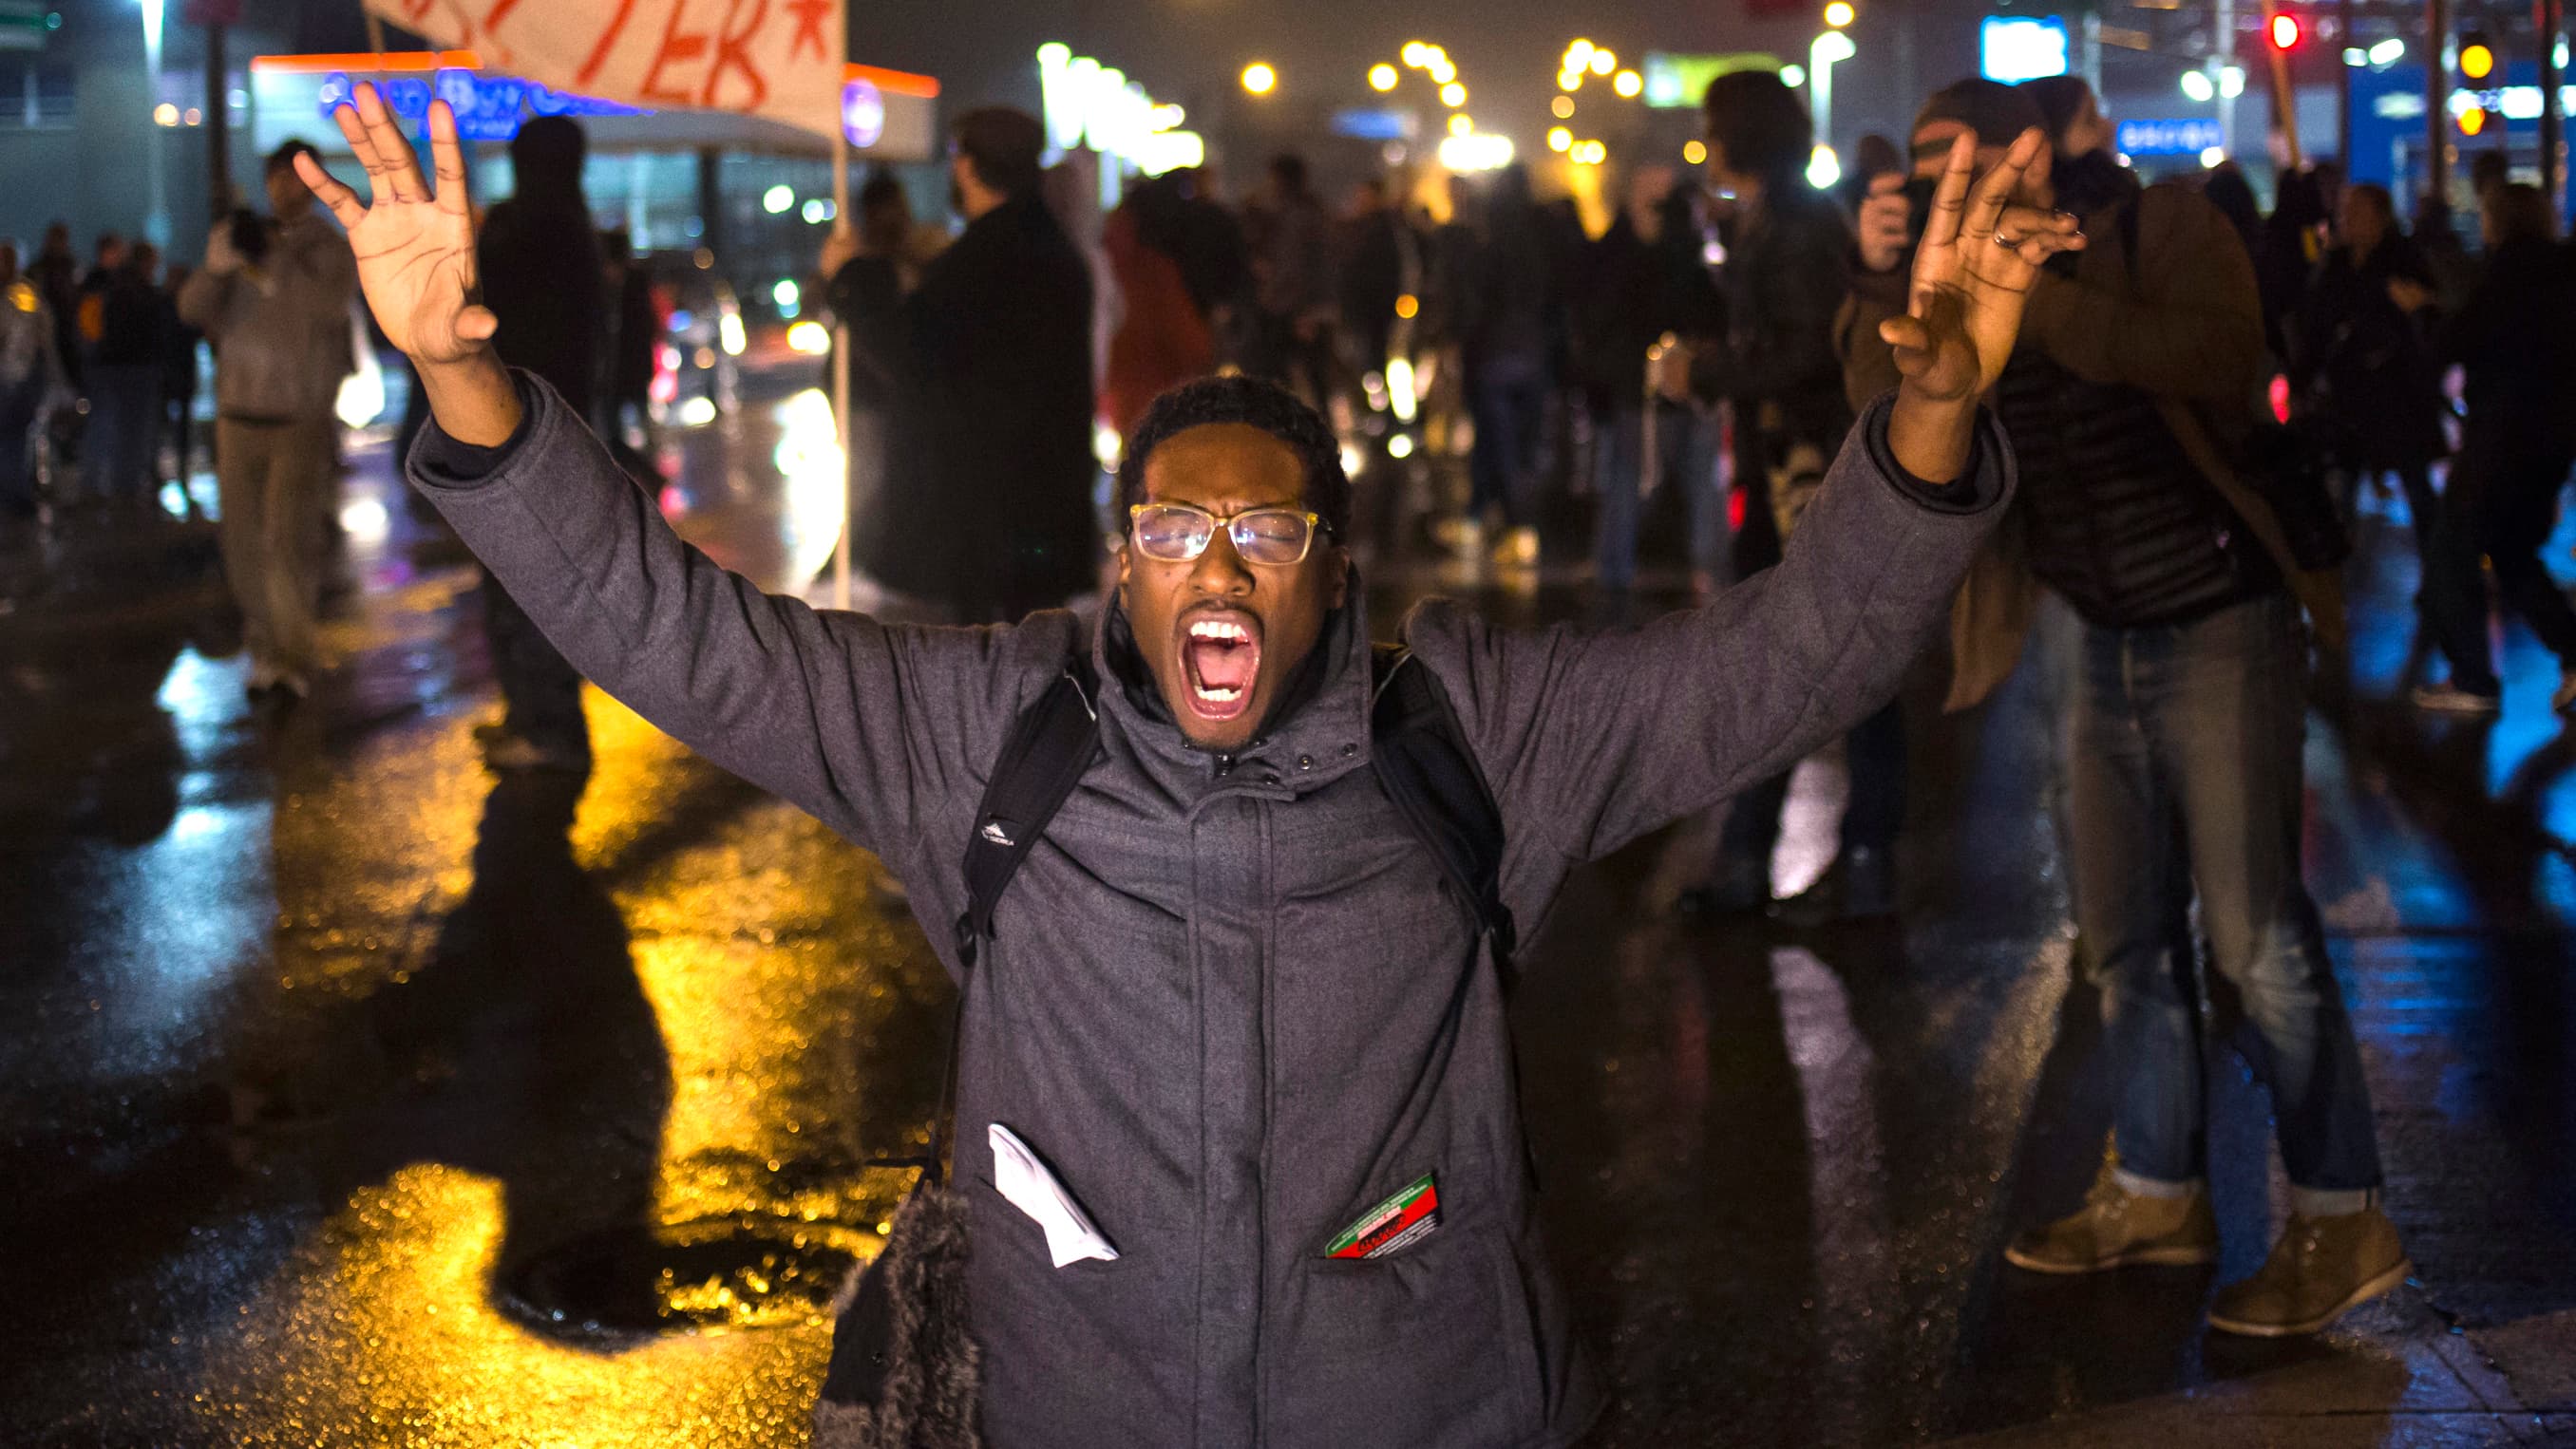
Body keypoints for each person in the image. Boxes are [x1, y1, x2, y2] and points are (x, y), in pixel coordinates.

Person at [306, 82, 2072, 1447]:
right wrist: (464, 379)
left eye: (1261, 530)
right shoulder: (987, 737)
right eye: (1171, 528)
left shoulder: (1476, 745)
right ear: (1120, 564)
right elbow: (665, 626)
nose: (1214, 566)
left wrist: (1926, 417)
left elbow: (1799, 656)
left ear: (1333, 567)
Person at [1844, 80, 2405, 1338]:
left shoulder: (2161, 223)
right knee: (2122, 939)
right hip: (2088, 628)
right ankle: (2157, 1192)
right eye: (1926, 172)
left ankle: (2340, 1213)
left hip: (2220, 616)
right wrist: (1884, 285)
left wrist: (2044, 306)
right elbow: (1882, 415)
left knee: (2254, 935)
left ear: (2030, 151)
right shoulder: (1946, 272)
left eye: (1964, 162)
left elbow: (2222, 357)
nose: (1948, 188)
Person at [1665, 69, 1891, 922]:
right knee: (1784, 664)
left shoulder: (1793, 224)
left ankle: (1844, 863)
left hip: (1808, 474)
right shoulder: (1774, 217)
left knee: (1830, 666)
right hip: (1781, 470)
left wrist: (1705, 371)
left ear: (1743, 133)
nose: (1705, 143)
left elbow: (1809, 351)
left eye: (1711, 127)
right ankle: (1762, 859)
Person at [843, 106, 1097, 623]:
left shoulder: (986, 260)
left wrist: (848, 280)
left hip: (988, 524)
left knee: (992, 677)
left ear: (969, 165)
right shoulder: (1050, 248)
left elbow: (910, 355)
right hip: (1039, 509)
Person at [179, 141, 359, 702]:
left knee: (287, 541)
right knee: (243, 544)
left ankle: (293, 656)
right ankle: (264, 648)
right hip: (238, 413)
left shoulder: (325, 245)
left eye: (297, 177)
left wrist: (273, 257)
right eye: (277, 176)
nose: (285, 187)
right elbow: (191, 310)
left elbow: (326, 308)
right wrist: (216, 269)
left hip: (297, 415)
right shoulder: (244, 240)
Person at [469, 115, 604, 773]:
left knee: (527, 587)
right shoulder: (573, 230)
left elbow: (494, 312)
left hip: (523, 434)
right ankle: (532, 715)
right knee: (521, 585)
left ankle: (549, 726)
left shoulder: (535, 232)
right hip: (551, 430)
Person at [2412, 184, 2576, 714]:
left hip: (2500, 435)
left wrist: (2428, 312)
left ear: (2497, 222)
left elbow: (2458, 340)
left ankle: (2473, 676)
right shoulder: (2564, 273)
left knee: (2451, 549)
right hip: (2552, 439)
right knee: (2513, 551)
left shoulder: (2505, 274)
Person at [1576, 167, 1725, 601]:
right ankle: (1617, 572)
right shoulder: (1621, 253)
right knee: (1631, 476)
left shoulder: (1680, 248)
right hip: (1638, 386)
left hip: (1681, 383)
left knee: (1691, 476)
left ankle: (1707, 572)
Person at [2293, 182, 2446, 570]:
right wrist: (2302, 379)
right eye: (2346, 210)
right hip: (2350, 396)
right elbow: (2316, 329)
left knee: (2416, 488)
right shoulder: (2337, 265)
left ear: (2380, 216)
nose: (2348, 219)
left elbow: (2428, 318)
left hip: (2397, 393)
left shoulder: (2402, 261)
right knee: (2340, 488)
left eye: (2357, 211)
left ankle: (2440, 583)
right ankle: (2335, 575)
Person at [1455, 163, 1556, 570]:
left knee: (1498, 444)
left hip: (1494, 358)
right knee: (1523, 446)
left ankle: (1505, 523)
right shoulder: (1540, 241)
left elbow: (1475, 304)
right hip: (1532, 356)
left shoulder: (1489, 243)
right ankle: (1511, 524)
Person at [1100, 173, 1216, 438]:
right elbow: (1185, 337)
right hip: (1159, 389)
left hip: (1120, 386)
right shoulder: (1156, 272)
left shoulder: (1106, 264)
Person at [1244, 152, 1338, 409]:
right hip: (1306, 311)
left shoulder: (1297, 217)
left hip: (1295, 313)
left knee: (1288, 386)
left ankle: (1300, 443)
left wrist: (1300, 310)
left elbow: (1295, 268)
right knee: (1314, 385)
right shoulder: (1312, 213)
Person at [84, 240, 170, 511]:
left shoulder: (109, 287)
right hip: (137, 368)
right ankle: (126, 486)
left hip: (109, 366)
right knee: (134, 431)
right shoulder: (144, 293)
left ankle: (97, 483)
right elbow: (154, 331)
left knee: (107, 427)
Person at [0, 240, 66, 524]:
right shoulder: (20, 293)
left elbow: (30, 331)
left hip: (15, 378)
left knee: (13, 439)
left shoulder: (20, 294)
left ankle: (14, 494)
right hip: (16, 377)